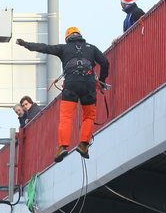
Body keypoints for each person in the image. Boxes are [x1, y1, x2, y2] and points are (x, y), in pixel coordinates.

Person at [16, 27, 110, 162]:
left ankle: (63, 147)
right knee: (89, 116)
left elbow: (44, 48)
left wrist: (25, 44)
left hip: (71, 84)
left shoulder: (64, 48)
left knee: (66, 117)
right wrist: (102, 80)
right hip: (88, 85)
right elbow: (105, 62)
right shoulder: (92, 48)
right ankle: (84, 145)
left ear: (68, 38)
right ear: (80, 36)